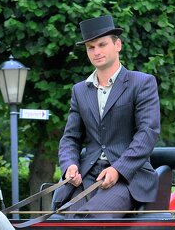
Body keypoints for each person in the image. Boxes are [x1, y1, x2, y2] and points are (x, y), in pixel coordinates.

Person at [55, 15, 161, 218]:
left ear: (117, 45)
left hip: (127, 177)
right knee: (62, 223)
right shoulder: (79, 91)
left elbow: (147, 133)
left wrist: (118, 169)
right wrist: (69, 165)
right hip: (86, 176)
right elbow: (70, 138)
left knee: (90, 219)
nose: (96, 52)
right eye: (90, 47)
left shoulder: (142, 83)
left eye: (102, 45)